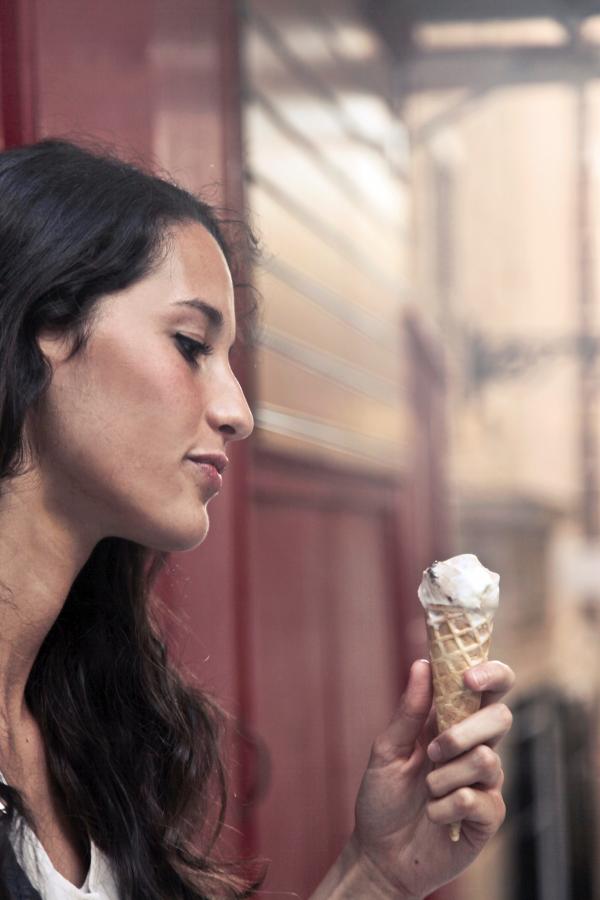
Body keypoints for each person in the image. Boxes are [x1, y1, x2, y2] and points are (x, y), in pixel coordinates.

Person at [0, 138, 514, 900]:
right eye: (189, 344)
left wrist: (374, 874)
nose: (237, 412)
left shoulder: (85, 721)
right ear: (45, 322)